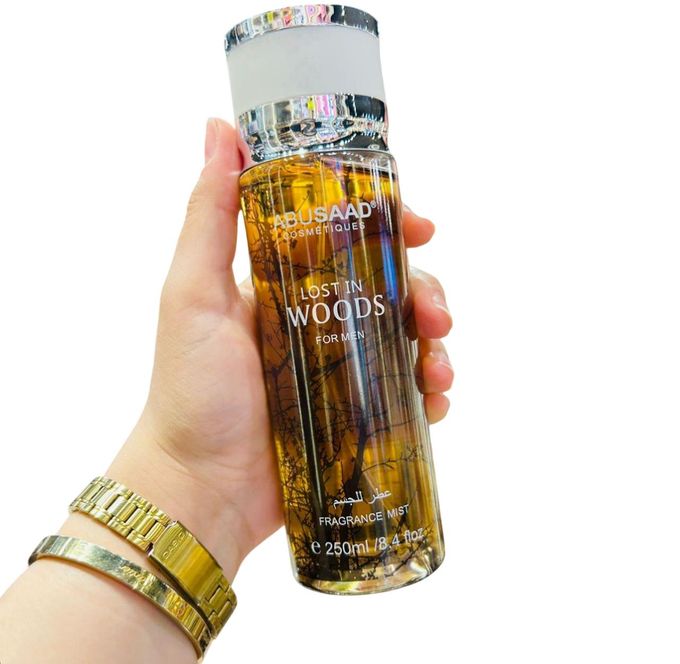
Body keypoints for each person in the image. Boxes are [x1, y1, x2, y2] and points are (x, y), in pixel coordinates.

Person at [0, 119, 454, 663]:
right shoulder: (272, 184)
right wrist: (194, 476)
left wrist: (197, 486)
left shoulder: (371, 169)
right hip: (295, 501)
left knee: (374, 300)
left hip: (395, 523)